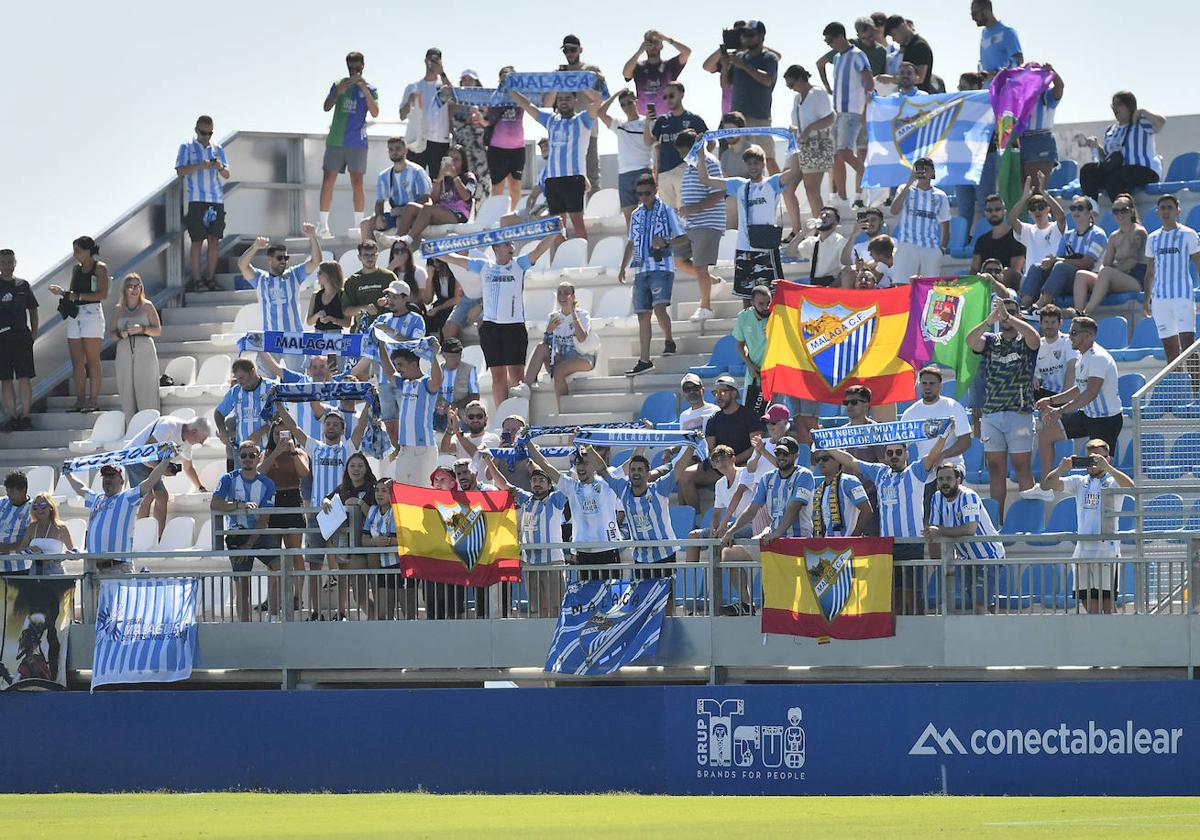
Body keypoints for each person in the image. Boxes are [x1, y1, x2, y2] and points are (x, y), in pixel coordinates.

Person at [827, 425, 954, 612]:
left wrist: (944, 434)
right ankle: (899, 634)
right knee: (892, 593)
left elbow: (932, 455)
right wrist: (827, 446)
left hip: (911, 543)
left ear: (906, 454)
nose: (894, 455)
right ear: (885, 456)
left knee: (912, 593)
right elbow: (851, 461)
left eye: (898, 452)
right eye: (890, 452)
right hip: (887, 543)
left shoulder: (916, 471)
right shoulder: (879, 473)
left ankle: (917, 628)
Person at [438, 231, 558, 404]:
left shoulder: (519, 264)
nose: (512, 247)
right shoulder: (483, 265)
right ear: (496, 248)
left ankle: (519, 413)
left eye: (512, 244)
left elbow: (539, 250)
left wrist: (554, 232)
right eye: (507, 244)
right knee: (497, 376)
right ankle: (503, 414)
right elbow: (453, 259)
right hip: (491, 328)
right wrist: (432, 249)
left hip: (514, 327)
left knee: (517, 376)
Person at [1037, 439, 1134, 614]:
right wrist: (1061, 468)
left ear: (1108, 458)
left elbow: (1131, 487)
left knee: (1108, 605)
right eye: (1092, 458)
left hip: (1107, 550)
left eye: (1101, 458)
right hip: (1083, 549)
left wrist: (1108, 468)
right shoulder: (1078, 481)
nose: (1095, 462)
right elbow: (1048, 483)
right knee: (1089, 603)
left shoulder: (1113, 481)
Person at [696, 144, 801, 305]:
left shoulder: (772, 182)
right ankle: (748, 326)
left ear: (763, 164)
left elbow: (793, 172)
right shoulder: (739, 184)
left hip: (766, 247)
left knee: (772, 293)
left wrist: (793, 145)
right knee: (746, 294)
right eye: (749, 163)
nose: (753, 167)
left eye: (756, 163)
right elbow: (705, 180)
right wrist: (701, 154)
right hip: (744, 246)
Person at [966, 298, 1040, 520]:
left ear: (1018, 314)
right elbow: (970, 340)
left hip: (1019, 414)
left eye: (1011, 311)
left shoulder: (1024, 341)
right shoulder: (990, 341)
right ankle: (997, 523)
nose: (1006, 316)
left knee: (1021, 468)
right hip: (991, 414)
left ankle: (1029, 523)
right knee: (996, 470)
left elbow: (1035, 339)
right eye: (1003, 312)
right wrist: (989, 320)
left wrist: (1012, 319)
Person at [593, 447, 688, 612]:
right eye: (633, 470)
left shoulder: (660, 488)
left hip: (664, 554)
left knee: (667, 599)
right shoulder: (622, 489)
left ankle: (668, 632)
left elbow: (678, 469)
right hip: (641, 557)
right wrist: (587, 447)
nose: (636, 473)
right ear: (628, 473)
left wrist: (691, 446)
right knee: (643, 601)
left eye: (640, 470)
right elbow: (601, 469)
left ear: (648, 473)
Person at [1032, 316, 1123, 478]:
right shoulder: (1082, 355)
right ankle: (1048, 483)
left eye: (1074, 333)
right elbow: (1079, 388)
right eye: (1070, 332)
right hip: (1088, 416)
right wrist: (1051, 401)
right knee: (1046, 435)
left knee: (1099, 468)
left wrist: (1060, 410)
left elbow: (1090, 393)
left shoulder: (1098, 357)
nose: (1070, 337)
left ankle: (1097, 487)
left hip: (1105, 420)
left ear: (1088, 336)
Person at [509, 87, 601, 239]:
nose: (564, 102)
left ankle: (580, 258)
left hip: (573, 178)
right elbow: (528, 106)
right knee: (557, 226)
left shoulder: (582, 120)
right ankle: (561, 257)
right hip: (552, 180)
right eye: (561, 99)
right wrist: (510, 89)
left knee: (577, 222)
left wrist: (580, 83)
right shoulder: (551, 119)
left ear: (575, 101)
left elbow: (597, 101)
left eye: (568, 98)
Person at [64, 450, 176, 574]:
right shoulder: (97, 498)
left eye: (112, 475)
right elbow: (81, 488)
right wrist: (69, 473)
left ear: (122, 481)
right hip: (92, 568)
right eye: (105, 476)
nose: (107, 479)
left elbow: (150, 481)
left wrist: (165, 460)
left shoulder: (127, 497)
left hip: (117, 567)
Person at [619, 174, 687, 376]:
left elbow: (684, 237)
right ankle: (644, 359)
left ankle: (669, 339)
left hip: (661, 266)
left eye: (647, 193)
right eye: (640, 194)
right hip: (641, 269)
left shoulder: (667, 210)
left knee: (659, 307)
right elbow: (632, 241)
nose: (644, 197)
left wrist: (666, 243)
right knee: (642, 314)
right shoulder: (636, 215)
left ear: (655, 190)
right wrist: (623, 266)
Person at [526, 439, 624, 580]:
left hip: (608, 549)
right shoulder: (570, 486)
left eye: (585, 463)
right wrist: (528, 442)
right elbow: (545, 466)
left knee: (609, 598)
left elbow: (631, 461)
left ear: (594, 465)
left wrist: (587, 443)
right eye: (578, 464)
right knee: (587, 599)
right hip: (583, 552)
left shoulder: (607, 482)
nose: (581, 467)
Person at [237, 223, 323, 369]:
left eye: (286, 257)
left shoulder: (294, 274)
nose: (284, 261)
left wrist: (312, 236)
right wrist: (255, 247)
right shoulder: (260, 279)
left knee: (296, 382)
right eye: (280, 258)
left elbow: (316, 261)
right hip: (270, 339)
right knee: (267, 382)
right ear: (269, 259)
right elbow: (242, 265)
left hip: (293, 338)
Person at [685, 444, 757, 614]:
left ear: (733, 458)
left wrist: (724, 525)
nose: (720, 462)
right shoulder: (719, 483)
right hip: (733, 525)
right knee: (693, 537)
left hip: (752, 524)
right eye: (716, 460)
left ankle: (746, 602)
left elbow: (737, 498)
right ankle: (693, 597)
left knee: (724, 544)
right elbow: (717, 512)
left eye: (723, 458)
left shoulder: (745, 472)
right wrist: (713, 526)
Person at [210, 440, 277, 621]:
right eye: (244, 456)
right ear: (239, 458)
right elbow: (215, 503)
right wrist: (240, 505)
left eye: (252, 456)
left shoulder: (268, 483)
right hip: (236, 535)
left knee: (280, 567)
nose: (247, 459)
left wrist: (249, 544)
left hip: (257, 534)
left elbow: (264, 519)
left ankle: (276, 617)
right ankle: (245, 626)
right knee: (242, 583)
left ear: (258, 459)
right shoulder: (228, 479)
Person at [925, 462, 1004, 614]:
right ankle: (994, 627)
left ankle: (986, 634)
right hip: (966, 558)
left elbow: (970, 528)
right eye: (940, 479)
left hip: (987, 557)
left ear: (958, 480)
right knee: (978, 602)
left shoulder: (969, 497)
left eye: (948, 478)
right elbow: (933, 528)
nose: (944, 483)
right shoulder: (936, 498)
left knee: (980, 603)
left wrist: (939, 531)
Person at [318, 52, 380, 238]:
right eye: (351, 67)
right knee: (328, 180)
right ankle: (323, 225)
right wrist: (338, 93)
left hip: (357, 142)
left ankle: (358, 225)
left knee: (357, 183)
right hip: (336, 140)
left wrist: (365, 90)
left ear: (363, 66)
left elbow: (375, 112)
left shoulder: (371, 87)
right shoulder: (339, 84)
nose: (354, 71)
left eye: (357, 67)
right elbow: (326, 106)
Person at [678, 374, 761, 508]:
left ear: (734, 393)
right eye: (715, 392)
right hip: (719, 465)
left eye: (722, 392)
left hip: (743, 465)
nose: (718, 396)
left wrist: (734, 460)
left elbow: (756, 446)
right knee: (684, 476)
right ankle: (696, 520)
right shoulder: (713, 419)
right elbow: (710, 448)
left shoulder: (749, 415)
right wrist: (719, 462)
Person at [900, 366, 974, 513]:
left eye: (932, 383)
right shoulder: (910, 413)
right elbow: (902, 446)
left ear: (941, 386)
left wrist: (942, 456)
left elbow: (965, 442)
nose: (927, 387)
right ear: (919, 385)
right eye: (924, 383)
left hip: (952, 466)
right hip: (924, 470)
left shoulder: (953, 407)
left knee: (942, 483)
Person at [48, 236, 108, 413]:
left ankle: (93, 399)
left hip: (92, 313)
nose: (75, 255)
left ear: (88, 250)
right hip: (76, 314)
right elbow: (73, 293)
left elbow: (102, 294)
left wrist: (79, 296)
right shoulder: (76, 269)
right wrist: (63, 293)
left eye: (78, 251)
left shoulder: (100, 268)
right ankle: (80, 400)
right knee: (77, 361)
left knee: (92, 360)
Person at [125, 414, 211, 536]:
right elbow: (146, 453)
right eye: (202, 438)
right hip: (135, 458)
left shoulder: (187, 442)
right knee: (147, 497)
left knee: (162, 496)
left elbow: (188, 467)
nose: (202, 442)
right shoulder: (168, 426)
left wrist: (201, 487)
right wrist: (164, 469)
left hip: (151, 463)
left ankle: (158, 537)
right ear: (193, 431)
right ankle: (141, 537)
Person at [671, 130, 725, 322]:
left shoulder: (709, 163)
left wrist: (693, 208)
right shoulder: (691, 165)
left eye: (683, 150)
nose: (681, 155)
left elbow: (720, 193)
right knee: (678, 260)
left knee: (700, 265)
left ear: (694, 147)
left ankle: (706, 307)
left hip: (708, 223)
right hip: (691, 225)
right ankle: (713, 283)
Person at [1019, 196, 1106, 312]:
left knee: (1061, 267)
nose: (1076, 211)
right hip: (1067, 279)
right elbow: (1058, 259)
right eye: (1073, 208)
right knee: (1036, 267)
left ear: (1090, 212)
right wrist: (1048, 263)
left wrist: (1057, 261)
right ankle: (1024, 306)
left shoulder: (1098, 235)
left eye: (1080, 208)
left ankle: (1040, 306)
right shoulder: (1068, 236)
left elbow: (1087, 263)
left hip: (1087, 280)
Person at [175, 115, 230, 291]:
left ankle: (210, 278)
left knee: (214, 240)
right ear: (196, 130)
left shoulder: (218, 148)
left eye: (210, 133)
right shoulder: (187, 147)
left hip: (216, 199)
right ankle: (197, 280)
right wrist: (200, 165)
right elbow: (180, 171)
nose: (206, 137)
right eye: (203, 132)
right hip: (197, 199)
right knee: (197, 241)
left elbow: (227, 174)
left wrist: (219, 166)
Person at [822, 23, 875, 207]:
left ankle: (870, 181)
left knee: (845, 152)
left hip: (854, 112)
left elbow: (869, 83)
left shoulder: (858, 55)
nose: (828, 44)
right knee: (836, 156)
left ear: (840, 37)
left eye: (830, 40)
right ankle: (842, 198)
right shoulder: (837, 58)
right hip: (838, 113)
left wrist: (866, 111)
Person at [319, 453, 377, 620]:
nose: (356, 469)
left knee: (379, 594)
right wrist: (326, 502)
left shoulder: (374, 488)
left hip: (373, 547)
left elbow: (378, 518)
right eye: (352, 466)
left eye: (360, 465)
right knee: (359, 598)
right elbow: (327, 499)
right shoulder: (342, 488)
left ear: (366, 468)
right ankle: (376, 621)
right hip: (353, 549)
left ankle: (383, 622)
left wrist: (359, 504)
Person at [1143, 195, 1200, 367]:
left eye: (1169, 207)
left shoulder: (1188, 234)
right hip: (1160, 298)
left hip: (1182, 295)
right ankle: (1179, 392)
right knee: (1170, 349)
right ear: (1157, 212)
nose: (1166, 211)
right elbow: (1150, 271)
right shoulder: (1152, 238)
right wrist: (1147, 299)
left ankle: (1196, 388)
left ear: (1178, 211)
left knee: (1188, 345)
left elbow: (1198, 263)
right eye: (1162, 208)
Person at [260, 422, 310, 617]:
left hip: (292, 499)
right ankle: (272, 599)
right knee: (273, 555)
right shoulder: (266, 453)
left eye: (284, 433)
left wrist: (291, 450)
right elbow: (259, 472)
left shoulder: (298, 452)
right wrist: (275, 452)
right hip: (273, 501)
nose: (279, 436)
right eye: (276, 433)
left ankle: (298, 596)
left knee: (296, 551)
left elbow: (304, 473)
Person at [716, 20, 779, 173]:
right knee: (744, 159)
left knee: (767, 157)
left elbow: (767, 80)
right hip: (738, 121)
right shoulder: (739, 56)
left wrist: (743, 65)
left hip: (759, 117)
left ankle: (779, 190)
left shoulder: (769, 58)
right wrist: (725, 66)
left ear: (761, 36)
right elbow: (725, 85)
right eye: (743, 35)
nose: (746, 38)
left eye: (751, 35)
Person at [1079, 92, 1165, 202]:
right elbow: (1108, 158)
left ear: (1129, 105)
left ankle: (1123, 210)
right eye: (1113, 105)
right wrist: (1096, 147)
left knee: (1116, 177)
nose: (1115, 108)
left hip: (1144, 170)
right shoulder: (1111, 130)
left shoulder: (1140, 123)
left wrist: (1142, 111)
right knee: (1088, 170)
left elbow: (1161, 122)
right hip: (1120, 172)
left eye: (1118, 104)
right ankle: (1091, 207)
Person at [1068, 195, 1143, 318]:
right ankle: (1077, 313)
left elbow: (1130, 264)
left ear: (1132, 211)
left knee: (1106, 272)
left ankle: (1085, 315)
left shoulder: (1138, 232)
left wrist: (1110, 270)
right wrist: (1109, 270)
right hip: (1114, 279)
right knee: (1081, 275)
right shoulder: (1113, 236)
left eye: (1123, 210)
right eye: (1116, 211)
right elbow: (1106, 262)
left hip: (1134, 281)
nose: (1120, 214)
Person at [516, 282, 595, 399]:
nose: (562, 296)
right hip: (562, 359)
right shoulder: (554, 316)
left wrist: (574, 315)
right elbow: (546, 345)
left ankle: (564, 410)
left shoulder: (582, 315)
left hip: (582, 359)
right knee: (541, 347)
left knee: (559, 370)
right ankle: (525, 387)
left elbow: (582, 338)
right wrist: (548, 331)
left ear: (573, 297)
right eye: (560, 293)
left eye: (566, 293)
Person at [782, 65, 834, 231]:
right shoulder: (797, 99)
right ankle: (797, 230)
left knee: (811, 189)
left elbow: (831, 117)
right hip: (799, 145)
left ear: (801, 78)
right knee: (786, 187)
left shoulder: (818, 93)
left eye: (791, 85)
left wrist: (811, 128)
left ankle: (821, 228)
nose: (790, 89)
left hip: (816, 144)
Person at [554, 34, 605, 195]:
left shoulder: (591, 71)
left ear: (580, 50)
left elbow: (601, 96)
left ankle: (593, 209)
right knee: (565, 172)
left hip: (588, 128)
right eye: (566, 50)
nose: (570, 53)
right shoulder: (558, 73)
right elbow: (549, 101)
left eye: (573, 49)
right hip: (565, 132)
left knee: (591, 173)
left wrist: (586, 81)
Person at [644, 81, 708, 209]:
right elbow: (648, 142)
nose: (668, 99)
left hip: (685, 169)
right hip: (664, 173)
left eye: (671, 95)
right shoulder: (662, 120)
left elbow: (710, 142)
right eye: (665, 97)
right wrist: (647, 123)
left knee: (685, 209)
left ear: (682, 94)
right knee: (669, 214)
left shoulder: (694, 119)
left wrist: (698, 161)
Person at [387, 339, 443, 485]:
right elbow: (388, 373)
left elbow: (437, 381)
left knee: (421, 494)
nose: (397, 369)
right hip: (405, 449)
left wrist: (433, 357)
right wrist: (381, 345)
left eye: (400, 365)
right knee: (402, 494)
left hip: (423, 448)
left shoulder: (426, 382)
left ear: (413, 364)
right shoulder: (404, 383)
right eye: (396, 365)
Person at [106, 273, 161, 421]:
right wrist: (121, 334)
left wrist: (142, 329)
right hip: (124, 349)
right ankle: (130, 426)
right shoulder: (118, 309)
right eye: (131, 286)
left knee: (146, 389)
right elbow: (112, 335)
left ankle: (149, 425)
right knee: (126, 390)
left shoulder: (147, 306)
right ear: (125, 289)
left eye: (137, 285)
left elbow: (157, 330)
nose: (134, 289)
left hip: (144, 348)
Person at [214, 358, 299, 451]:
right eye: (237, 379)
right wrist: (222, 431)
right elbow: (219, 413)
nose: (240, 382)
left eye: (242, 377)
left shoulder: (272, 387)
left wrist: (260, 433)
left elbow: (280, 417)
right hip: (243, 451)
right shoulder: (235, 391)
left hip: (268, 449)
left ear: (252, 372)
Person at [360, 137, 433, 244]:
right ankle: (369, 254)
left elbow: (426, 199)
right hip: (394, 214)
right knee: (365, 224)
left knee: (401, 220)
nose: (394, 152)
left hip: (415, 214)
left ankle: (401, 252)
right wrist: (379, 216)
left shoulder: (417, 171)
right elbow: (380, 201)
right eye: (391, 149)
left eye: (398, 148)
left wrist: (403, 210)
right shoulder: (384, 175)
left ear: (405, 150)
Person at [1008, 176, 1067, 305]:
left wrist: (1045, 194)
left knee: (1036, 269)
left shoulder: (1055, 228)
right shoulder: (1028, 230)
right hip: (1030, 281)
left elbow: (1061, 217)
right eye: (1033, 208)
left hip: (1051, 278)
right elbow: (1012, 219)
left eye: (1041, 206)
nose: (1037, 210)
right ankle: (1024, 310)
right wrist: (1024, 198)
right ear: (1030, 213)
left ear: (1048, 209)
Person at [403, 146, 478, 248]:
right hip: (440, 211)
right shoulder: (443, 179)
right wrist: (439, 178)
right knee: (410, 207)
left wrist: (455, 177)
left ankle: (408, 239)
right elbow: (433, 199)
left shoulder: (468, 177)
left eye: (456, 159)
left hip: (458, 214)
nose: (453, 163)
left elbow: (466, 197)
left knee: (428, 209)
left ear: (463, 161)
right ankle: (398, 239)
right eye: (450, 159)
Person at [890, 157, 951, 283]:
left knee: (928, 288)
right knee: (902, 285)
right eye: (919, 170)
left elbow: (945, 225)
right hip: (907, 244)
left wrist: (942, 249)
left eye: (926, 169)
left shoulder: (941, 196)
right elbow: (894, 210)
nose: (922, 173)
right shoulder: (904, 189)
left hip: (930, 247)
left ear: (933, 173)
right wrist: (909, 182)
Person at [362, 477, 414, 621]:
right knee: (383, 614)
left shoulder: (399, 511)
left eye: (384, 491)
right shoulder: (372, 511)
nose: (379, 494)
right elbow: (364, 540)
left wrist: (389, 541)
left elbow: (406, 540)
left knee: (408, 613)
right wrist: (376, 541)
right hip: (384, 567)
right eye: (377, 490)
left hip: (402, 566)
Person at [599, 89, 654, 223]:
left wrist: (647, 122)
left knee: (649, 215)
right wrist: (616, 94)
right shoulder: (619, 124)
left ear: (636, 102)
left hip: (644, 172)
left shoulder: (648, 121)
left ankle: (652, 243)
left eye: (629, 102)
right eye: (622, 104)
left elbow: (649, 143)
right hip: (624, 175)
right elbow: (600, 113)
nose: (626, 107)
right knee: (630, 219)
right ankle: (634, 244)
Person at [0, 249, 38, 431]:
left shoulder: (23, 285)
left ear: (15, 263)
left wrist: (34, 333)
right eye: (3, 263)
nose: (6, 266)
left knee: (24, 378)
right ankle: (12, 417)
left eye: (9, 262)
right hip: (2, 339)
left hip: (22, 337)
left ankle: (26, 416)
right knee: (5, 379)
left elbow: (33, 309)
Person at [400, 48, 452, 177]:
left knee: (439, 182)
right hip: (417, 140)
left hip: (439, 141)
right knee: (414, 180)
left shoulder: (443, 86)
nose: (432, 63)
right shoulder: (413, 87)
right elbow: (402, 115)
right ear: (425, 60)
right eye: (430, 59)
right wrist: (409, 102)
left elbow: (455, 96)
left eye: (436, 60)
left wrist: (442, 73)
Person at [623, 29, 692, 116]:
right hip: (644, 119)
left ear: (661, 45)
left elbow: (687, 52)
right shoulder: (638, 66)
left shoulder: (669, 65)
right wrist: (639, 51)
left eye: (656, 42)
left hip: (667, 119)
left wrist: (666, 38)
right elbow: (625, 73)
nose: (653, 45)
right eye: (649, 42)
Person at [810, 448, 874, 537]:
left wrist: (853, 538)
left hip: (848, 547)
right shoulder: (819, 488)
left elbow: (867, 510)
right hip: (824, 546)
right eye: (818, 459)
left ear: (838, 460)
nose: (820, 462)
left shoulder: (850, 481)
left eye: (825, 459)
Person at [342, 240, 399, 336]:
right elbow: (346, 310)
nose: (370, 258)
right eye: (366, 255)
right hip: (362, 331)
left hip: (387, 330)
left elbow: (400, 300)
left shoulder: (389, 276)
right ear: (359, 257)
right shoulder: (352, 281)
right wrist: (364, 308)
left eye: (373, 255)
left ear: (377, 255)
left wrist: (387, 301)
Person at [10, 493, 75, 577]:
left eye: (43, 506)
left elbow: (73, 551)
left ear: (51, 507)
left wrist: (67, 555)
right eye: (35, 507)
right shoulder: (32, 527)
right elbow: (20, 550)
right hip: (35, 570)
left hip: (55, 570)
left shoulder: (61, 527)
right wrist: (30, 550)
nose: (39, 509)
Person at [732, 285, 772, 416]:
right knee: (753, 417)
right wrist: (749, 365)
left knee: (775, 417)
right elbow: (739, 344)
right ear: (752, 302)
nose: (766, 307)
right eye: (761, 304)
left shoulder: (777, 315)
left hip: (774, 374)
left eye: (768, 303)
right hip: (755, 375)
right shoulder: (743, 317)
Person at [1020, 64, 1064, 183]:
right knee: (1020, 192)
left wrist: (1052, 71)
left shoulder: (1046, 94)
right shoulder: (1018, 97)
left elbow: (1060, 86)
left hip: (1040, 140)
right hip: (1020, 141)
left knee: (1036, 190)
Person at [970, 194, 1026, 284]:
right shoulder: (981, 241)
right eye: (989, 210)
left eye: (997, 209)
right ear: (985, 213)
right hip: (984, 288)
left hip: (1008, 291)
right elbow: (974, 270)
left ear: (1004, 211)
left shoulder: (1016, 238)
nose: (993, 213)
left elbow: (1015, 274)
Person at [440, 401, 500, 479]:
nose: (475, 420)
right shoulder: (460, 437)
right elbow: (445, 448)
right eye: (471, 417)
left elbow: (477, 454)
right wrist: (450, 427)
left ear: (486, 419)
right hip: (463, 489)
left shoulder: (492, 438)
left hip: (484, 489)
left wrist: (458, 431)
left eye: (479, 416)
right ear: (466, 420)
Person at [794, 207, 847, 284]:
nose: (823, 217)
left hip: (831, 283)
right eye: (821, 215)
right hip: (814, 283)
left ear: (836, 222)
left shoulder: (841, 242)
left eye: (828, 216)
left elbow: (845, 271)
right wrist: (802, 233)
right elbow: (790, 253)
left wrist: (829, 289)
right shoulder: (811, 241)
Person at [883, 16, 936, 93]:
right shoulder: (908, 48)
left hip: (918, 100)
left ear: (902, 26)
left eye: (893, 35)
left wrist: (889, 79)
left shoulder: (920, 46)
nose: (894, 40)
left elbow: (919, 78)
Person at [307, 261, 351, 349]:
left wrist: (332, 319)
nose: (317, 275)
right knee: (319, 362)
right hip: (318, 337)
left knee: (334, 362)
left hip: (335, 337)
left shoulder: (342, 295)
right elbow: (309, 321)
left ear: (330, 275)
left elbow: (347, 323)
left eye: (320, 273)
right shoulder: (315, 295)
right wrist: (317, 315)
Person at [971, 0, 1022, 73]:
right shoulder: (984, 34)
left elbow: (1018, 60)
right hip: (988, 84)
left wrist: (996, 73)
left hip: (1005, 83)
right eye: (972, 14)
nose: (973, 18)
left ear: (986, 10)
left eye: (975, 14)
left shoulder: (1007, 32)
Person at [0, 471, 32, 575]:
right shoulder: (2, 502)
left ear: (23, 490)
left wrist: (5, 547)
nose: (8, 495)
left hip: (19, 567)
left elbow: (31, 539)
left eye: (12, 492)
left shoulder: (34, 509)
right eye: (7, 491)